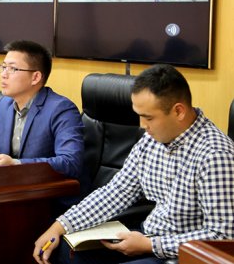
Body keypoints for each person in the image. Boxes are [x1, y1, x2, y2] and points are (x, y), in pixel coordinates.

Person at [34, 64, 234, 264]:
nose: (142, 126)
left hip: (181, 254)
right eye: (139, 115)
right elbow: (117, 192)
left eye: (148, 118)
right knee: (64, 250)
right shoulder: (151, 140)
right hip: (147, 236)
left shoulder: (215, 155)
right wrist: (60, 226)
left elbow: (222, 236)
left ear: (178, 111)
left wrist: (151, 245)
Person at [0, 41, 84, 182]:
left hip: (47, 190)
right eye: (3, 67)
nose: (3, 74)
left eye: (12, 69)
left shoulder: (61, 109)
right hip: (9, 186)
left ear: (35, 77)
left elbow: (71, 162)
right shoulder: (4, 104)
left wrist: (16, 164)